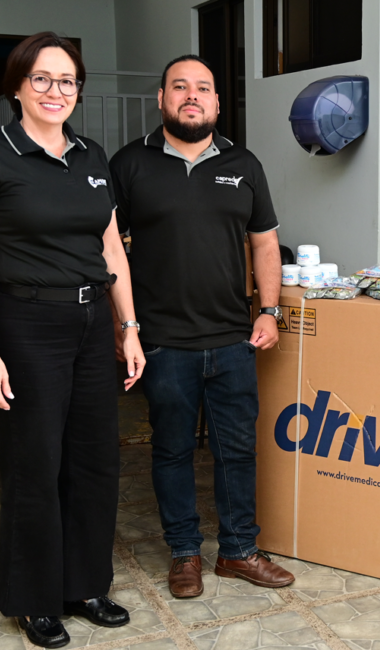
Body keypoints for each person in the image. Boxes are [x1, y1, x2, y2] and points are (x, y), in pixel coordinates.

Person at [0, 32, 144, 648]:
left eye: (67, 80)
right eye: (41, 78)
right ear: (17, 86)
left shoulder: (92, 156)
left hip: (94, 322)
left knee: (96, 459)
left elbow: (111, 249)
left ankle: (86, 585)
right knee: (34, 464)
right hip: (27, 324)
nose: (55, 91)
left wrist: (128, 328)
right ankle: (34, 598)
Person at [109, 55, 293, 599]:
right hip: (163, 342)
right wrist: (126, 327)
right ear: (162, 99)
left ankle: (238, 551)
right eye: (180, 87)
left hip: (234, 338)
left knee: (238, 450)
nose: (192, 96)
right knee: (170, 451)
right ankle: (184, 554)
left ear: (216, 102)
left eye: (203, 88)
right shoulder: (129, 165)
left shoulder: (245, 164)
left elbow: (264, 243)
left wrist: (269, 309)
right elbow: (106, 249)